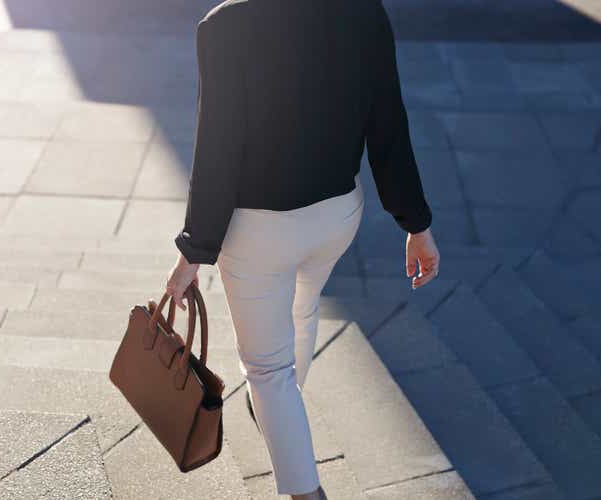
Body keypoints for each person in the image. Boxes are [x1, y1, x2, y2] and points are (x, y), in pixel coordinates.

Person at [166, 0, 440, 498]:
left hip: (257, 232)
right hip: (336, 217)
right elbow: (389, 129)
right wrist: (415, 224)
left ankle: (304, 490)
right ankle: (279, 410)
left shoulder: (225, 25)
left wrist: (195, 250)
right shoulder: (364, 13)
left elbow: (217, 146)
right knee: (303, 309)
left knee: (268, 370)